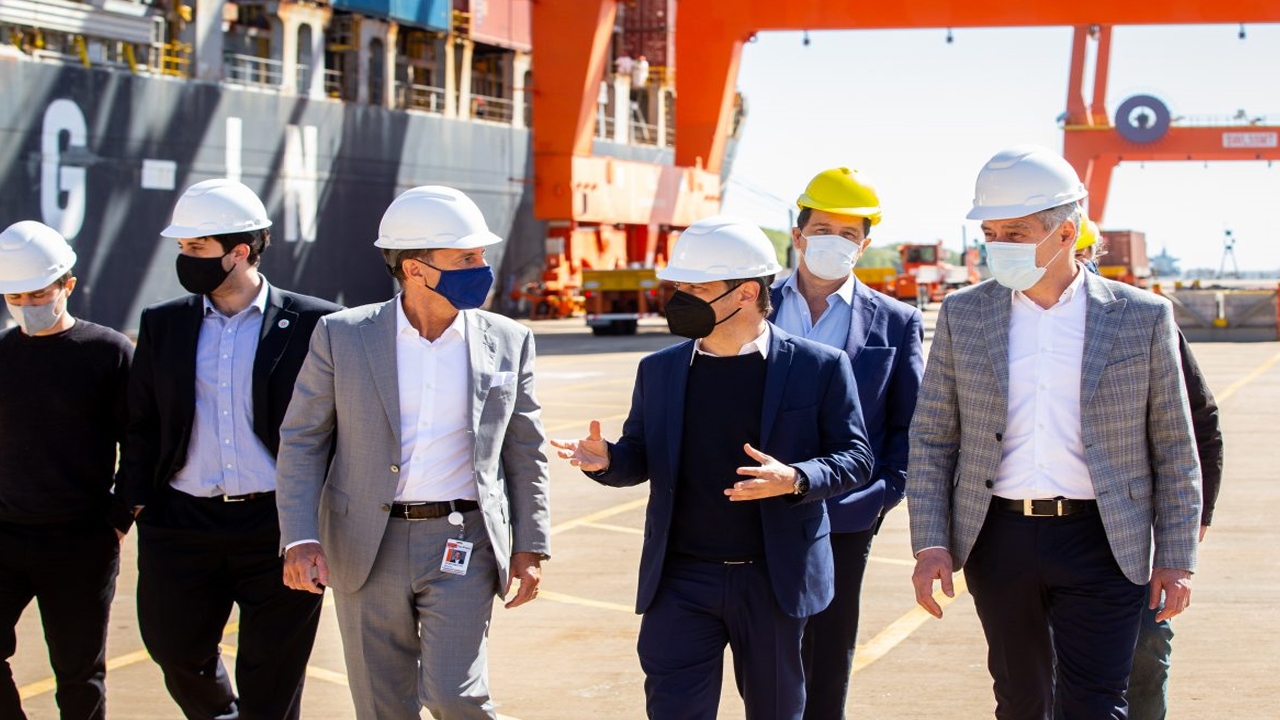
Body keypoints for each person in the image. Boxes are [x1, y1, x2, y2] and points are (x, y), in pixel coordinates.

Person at [908, 145, 1202, 720]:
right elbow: (933, 439)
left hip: (1104, 541)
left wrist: (1175, 557)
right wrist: (931, 541)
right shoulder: (963, 314)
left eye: (1014, 232)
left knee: (1094, 705)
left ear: (1066, 232)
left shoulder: (1142, 317)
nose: (998, 246)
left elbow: (1175, 449)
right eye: (990, 232)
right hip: (999, 540)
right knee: (1019, 702)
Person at [552, 215, 875, 720]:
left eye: (695, 287)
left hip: (773, 581)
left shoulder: (820, 366)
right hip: (680, 580)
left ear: (746, 293)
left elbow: (856, 458)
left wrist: (796, 478)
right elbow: (641, 455)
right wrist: (609, 460)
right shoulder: (658, 370)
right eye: (677, 285)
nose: (678, 297)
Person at [275, 185, 551, 720]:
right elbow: (303, 439)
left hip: (462, 539)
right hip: (364, 546)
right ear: (416, 268)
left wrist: (531, 545)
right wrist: (300, 537)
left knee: (456, 694)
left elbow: (525, 450)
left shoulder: (509, 339)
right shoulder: (341, 335)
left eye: (480, 255)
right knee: (382, 706)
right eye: (466, 257)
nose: (482, 266)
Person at [120, 179, 340, 720]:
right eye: (183, 248)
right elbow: (141, 420)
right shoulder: (163, 323)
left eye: (196, 248)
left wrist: (322, 518)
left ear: (239, 252)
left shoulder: (317, 323)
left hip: (279, 524)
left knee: (274, 672)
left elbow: (343, 425)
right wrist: (138, 501)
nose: (185, 258)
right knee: (174, 649)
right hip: (181, 522)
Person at [768, 168, 924, 720]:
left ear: (865, 243)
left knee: (828, 654)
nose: (836, 240)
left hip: (844, 512)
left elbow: (911, 426)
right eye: (824, 227)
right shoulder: (750, 303)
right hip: (751, 504)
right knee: (763, 654)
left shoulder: (897, 322)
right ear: (798, 232)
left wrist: (881, 496)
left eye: (849, 232)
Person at [1070, 221, 1225, 720]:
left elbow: (1199, 426)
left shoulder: (1142, 321)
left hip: (1134, 532)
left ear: (1090, 249)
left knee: (1142, 656)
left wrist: (1191, 528)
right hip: (1046, 532)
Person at [0, 221, 133, 720]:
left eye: (38, 293)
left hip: (82, 542)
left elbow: (141, 444)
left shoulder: (108, 353)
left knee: (79, 676)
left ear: (68, 285)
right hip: (6, 535)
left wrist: (120, 517)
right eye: (15, 297)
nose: (27, 305)